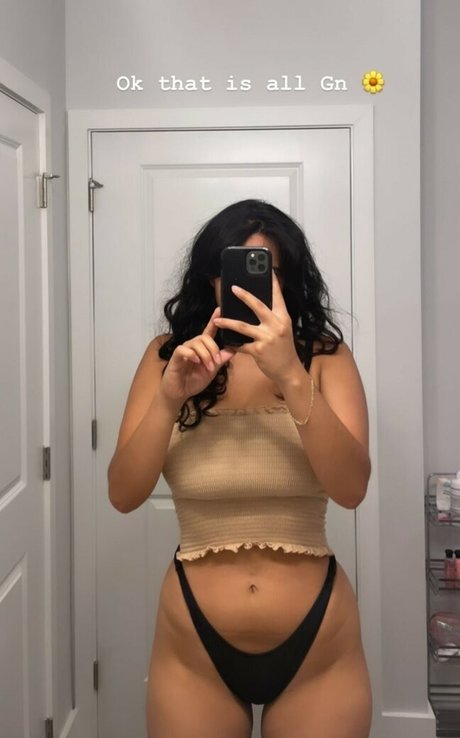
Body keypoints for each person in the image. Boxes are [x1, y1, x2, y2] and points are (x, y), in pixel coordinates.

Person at [107, 199, 373, 738]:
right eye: (233, 270)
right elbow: (123, 494)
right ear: (211, 278)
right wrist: (169, 399)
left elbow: (351, 489)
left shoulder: (326, 358)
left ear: (287, 281)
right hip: (192, 648)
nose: (248, 288)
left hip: (319, 646)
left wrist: (291, 374)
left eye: (266, 271)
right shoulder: (167, 358)